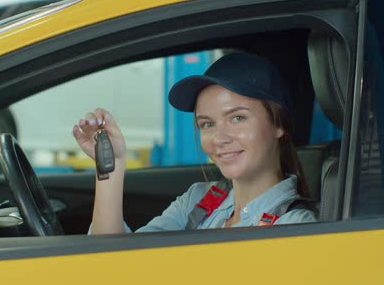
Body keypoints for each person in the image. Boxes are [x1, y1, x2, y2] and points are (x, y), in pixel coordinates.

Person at [72, 52, 317, 234]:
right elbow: (114, 262)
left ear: (279, 125)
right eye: (207, 124)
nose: (219, 138)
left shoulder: (295, 226)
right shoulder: (198, 201)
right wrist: (111, 165)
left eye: (237, 118)